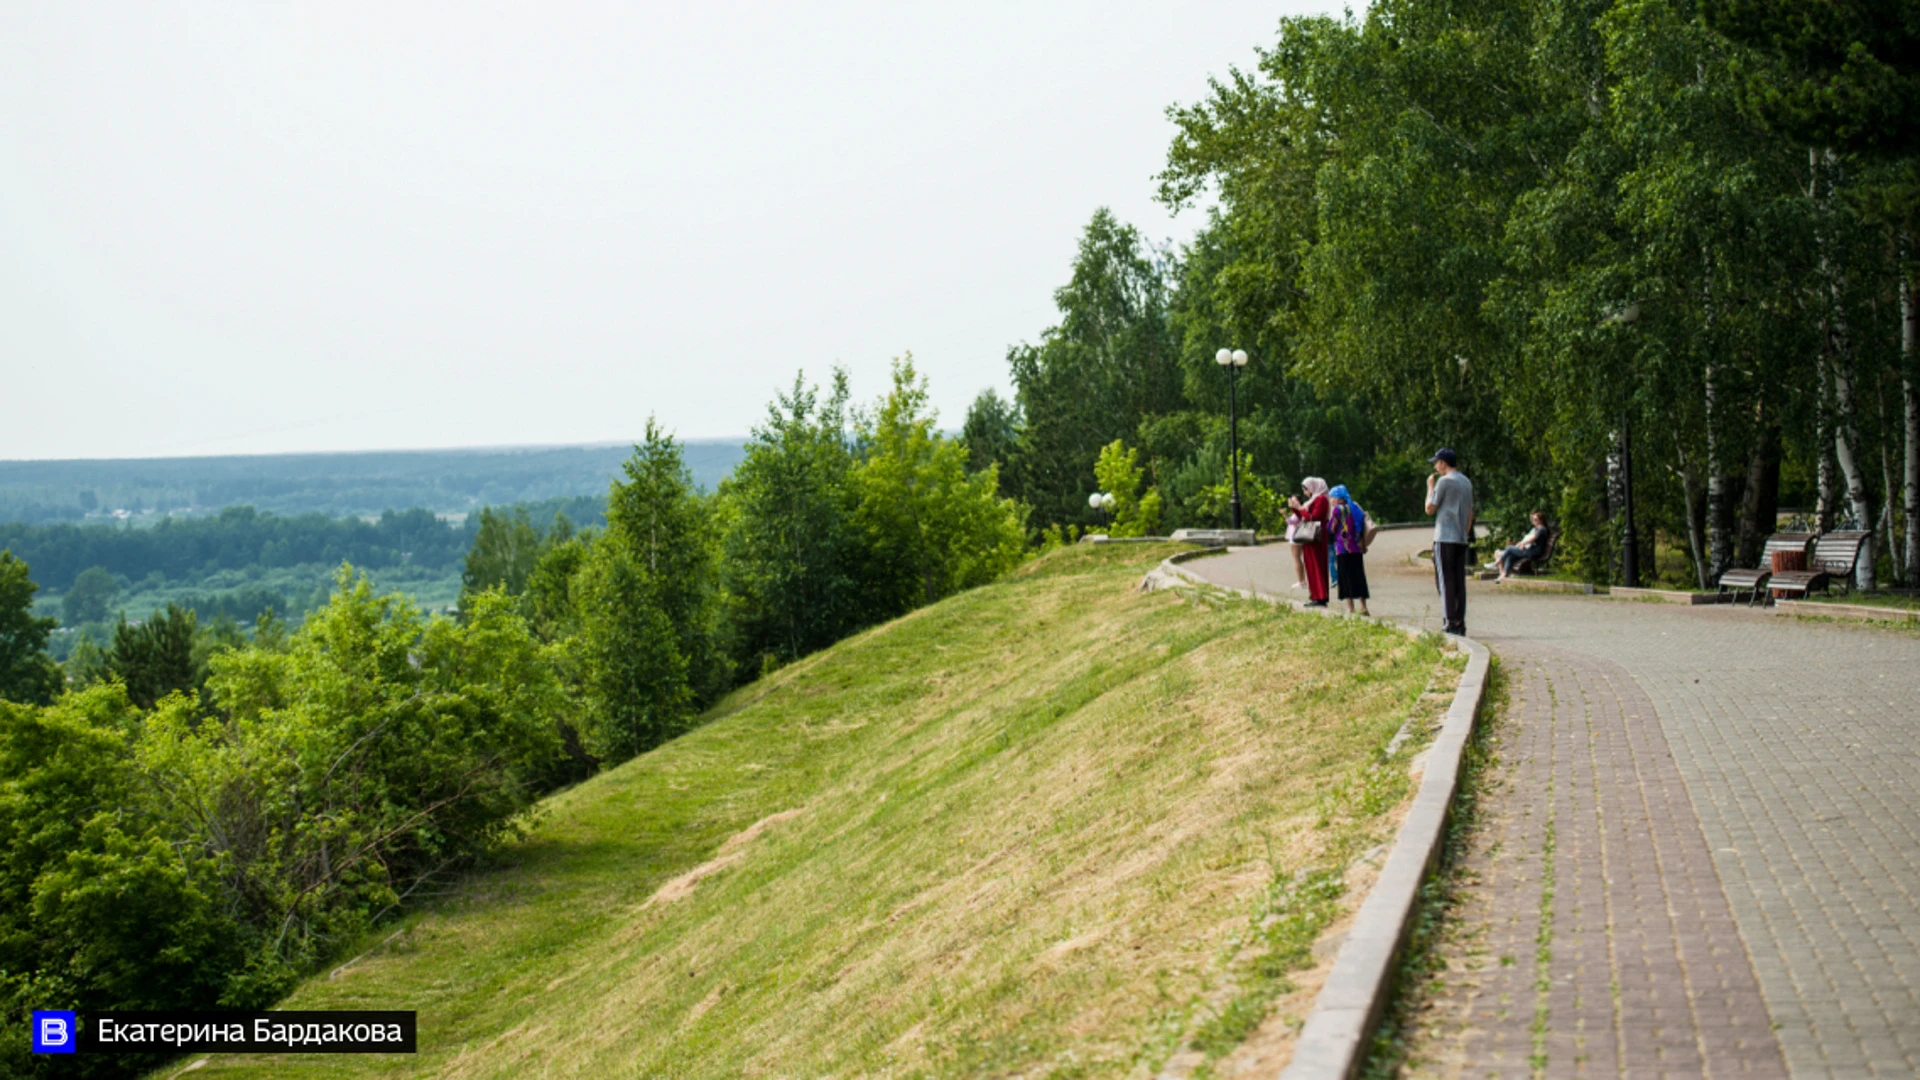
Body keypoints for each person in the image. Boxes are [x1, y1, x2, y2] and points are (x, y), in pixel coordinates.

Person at [1424, 448, 1474, 635]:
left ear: (1443, 463)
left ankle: (1450, 621)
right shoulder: (1466, 482)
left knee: (1445, 581)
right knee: (1459, 581)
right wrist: (1465, 533)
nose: (1436, 467)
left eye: (1437, 463)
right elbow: (1470, 512)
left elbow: (1429, 508)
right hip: (1460, 538)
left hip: (1444, 537)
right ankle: (1459, 621)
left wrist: (1430, 486)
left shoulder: (1444, 482)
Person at [1288, 477, 1331, 607]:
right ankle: (1315, 595)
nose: (1305, 491)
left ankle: (1321, 596)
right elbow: (1303, 516)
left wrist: (1300, 508)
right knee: (1311, 565)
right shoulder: (1313, 500)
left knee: (1317, 565)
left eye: (1305, 488)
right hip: (1310, 537)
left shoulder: (1321, 499)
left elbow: (1314, 518)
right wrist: (1295, 508)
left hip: (1316, 536)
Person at [1329, 484, 1370, 616]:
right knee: (1358, 576)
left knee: (1345, 578)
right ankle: (1364, 607)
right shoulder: (1355, 507)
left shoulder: (1338, 510)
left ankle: (1350, 608)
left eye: (1332, 497)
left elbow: (1331, 529)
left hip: (1343, 548)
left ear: (1339, 498)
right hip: (1356, 548)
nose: (1331, 500)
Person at [1493, 510, 1551, 583]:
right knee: (1510, 556)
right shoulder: (1537, 528)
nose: (1533, 521)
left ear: (1541, 520)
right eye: (1533, 519)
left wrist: (1522, 543)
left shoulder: (1541, 529)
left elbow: (1533, 538)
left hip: (1534, 552)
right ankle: (1503, 576)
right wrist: (1523, 544)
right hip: (1531, 550)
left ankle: (1497, 563)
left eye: (1535, 519)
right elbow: (1530, 540)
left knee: (1510, 548)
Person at [1285, 504, 1307, 590]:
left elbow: (1291, 522)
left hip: (1295, 538)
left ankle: (1301, 581)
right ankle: (1302, 581)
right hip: (1298, 537)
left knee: (1297, 559)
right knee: (1298, 559)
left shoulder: (1298, 514)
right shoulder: (1301, 513)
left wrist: (1285, 514)